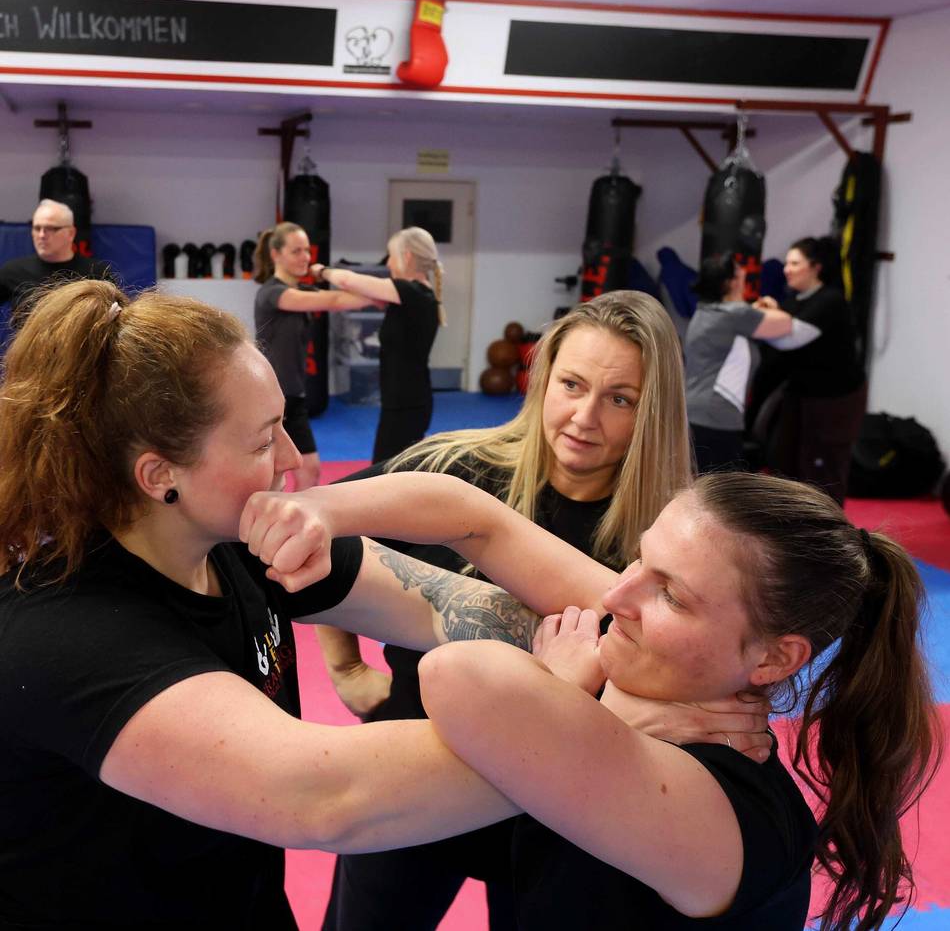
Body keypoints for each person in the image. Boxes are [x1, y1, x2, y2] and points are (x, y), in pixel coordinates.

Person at [0, 280, 766, 929]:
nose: (299, 462)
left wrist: (696, 660)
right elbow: (331, 798)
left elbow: (459, 606)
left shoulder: (239, 546)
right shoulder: (68, 632)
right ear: (158, 473)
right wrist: (603, 728)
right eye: (265, 440)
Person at [243, 467, 942, 931]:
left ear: (773, 657)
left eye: (668, 591)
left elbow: (459, 677)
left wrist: (566, 693)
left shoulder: (727, 812)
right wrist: (305, 510)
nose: (614, 593)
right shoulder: (659, 662)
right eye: (640, 559)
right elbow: (471, 517)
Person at [316, 290, 695, 930]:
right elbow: (324, 534)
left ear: (652, 413)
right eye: (571, 384)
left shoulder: (667, 533)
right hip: (418, 758)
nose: (584, 416)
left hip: (559, 799)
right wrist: (347, 668)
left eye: (620, 399)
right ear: (543, 379)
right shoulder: (453, 471)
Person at [254, 222, 396, 488]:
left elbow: (342, 299)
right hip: (273, 398)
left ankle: (285, 523)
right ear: (276, 255)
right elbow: (332, 301)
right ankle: (280, 524)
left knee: (299, 472)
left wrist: (384, 296)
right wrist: (330, 273)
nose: (306, 257)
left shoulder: (301, 291)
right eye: (296, 251)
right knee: (294, 472)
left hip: (292, 396)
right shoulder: (272, 293)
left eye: (308, 251)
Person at [312, 226, 446, 462]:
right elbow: (358, 295)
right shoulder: (414, 295)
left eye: (391, 256)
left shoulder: (409, 291)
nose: (389, 264)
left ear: (406, 257)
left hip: (406, 404)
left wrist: (321, 270)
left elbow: (345, 279)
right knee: (393, 471)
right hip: (405, 399)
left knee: (387, 472)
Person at [685, 253, 819, 473]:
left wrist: (754, 310)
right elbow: (785, 323)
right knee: (722, 495)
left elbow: (740, 317)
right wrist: (771, 308)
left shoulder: (706, 311)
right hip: (717, 416)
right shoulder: (737, 315)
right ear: (732, 282)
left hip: (695, 414)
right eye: (741, 276)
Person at [760, 236, 867, 505]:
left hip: (834, 400)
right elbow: (786, 324)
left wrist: (749, 320)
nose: (787, 269)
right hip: (803, 394)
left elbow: (790, 339)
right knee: (788, 462)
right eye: (786, 263)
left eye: (795, 263)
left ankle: (830, 536)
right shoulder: (796, 300)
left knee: (823, 470)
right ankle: (795, 531)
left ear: (815, 267)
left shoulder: (830, 301)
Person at [0, 198, 114, 318]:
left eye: (51, 229)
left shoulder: (97, 272)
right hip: (29, 336)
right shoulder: (13, 271)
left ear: (71, 233)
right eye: (37, 228)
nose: (42, 235)